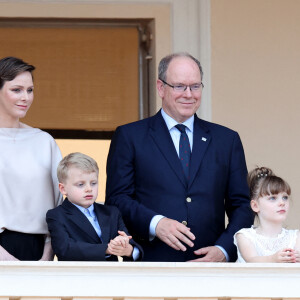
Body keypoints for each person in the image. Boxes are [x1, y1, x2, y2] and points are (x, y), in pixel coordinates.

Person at [105, 52, 253, 262]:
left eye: (195, 86)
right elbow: (117, 199)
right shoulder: (130, 136)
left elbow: (242, 206)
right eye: (179, 86)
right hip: (151, 265)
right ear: (160, 87)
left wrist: (224, 249)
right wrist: (156, 224)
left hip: (210, 270)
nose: (188, 94)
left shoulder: (226, 140)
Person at [0, 56, 63, 261]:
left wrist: (46, 257)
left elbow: (60, 206)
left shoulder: (44, 142)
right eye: (16, 90)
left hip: (38, 252)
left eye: (30, 90)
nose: (25, 97)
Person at [46, 152, 143, 261]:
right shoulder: (57, 215)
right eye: (80, 184)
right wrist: (107, 249)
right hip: (78, 276)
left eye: (93, 183)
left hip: (112, 276)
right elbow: (65, 249)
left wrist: (128, 249)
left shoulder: (111, 212)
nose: (89, 189)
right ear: (63, 189)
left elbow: (129, 242)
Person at [234, 167, 300, 263]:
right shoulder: (245, 236)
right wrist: (273, 259)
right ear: (255, 206)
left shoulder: (296, 237)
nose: (282, 202)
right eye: (273, 198)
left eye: (285, 197)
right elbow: (252, 260)